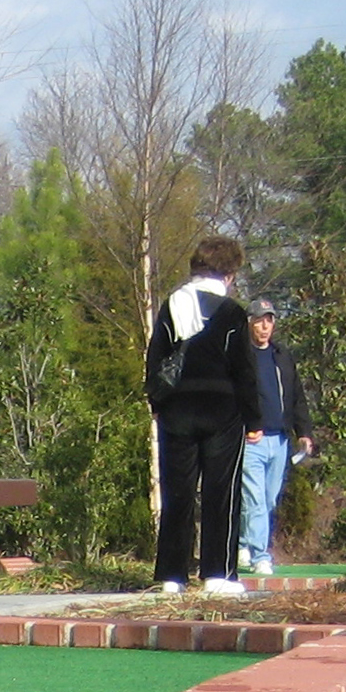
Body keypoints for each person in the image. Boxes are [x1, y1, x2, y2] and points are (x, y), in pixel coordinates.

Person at [145, 236, 263, 594]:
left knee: (178, 493)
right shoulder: (231, 312)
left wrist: (158, 405)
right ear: (228, 274)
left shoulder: (172, 305)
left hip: (177, 411)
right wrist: (254, 420)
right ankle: (218, 574)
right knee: (221, 493)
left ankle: (171, 576)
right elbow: (244, 370)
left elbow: (155, 357)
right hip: (222, 412)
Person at [237, 299, 313, 575]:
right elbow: (233, 397)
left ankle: (242, 542)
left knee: (267, 500)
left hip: (280, 440)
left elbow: (296, 396)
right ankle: (260, 556)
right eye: (259, 320)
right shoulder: (240, 357)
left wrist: (303, 432)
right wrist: (245, 426)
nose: (265, 326)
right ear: (249, 324)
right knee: (255, 500)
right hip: (252, 441)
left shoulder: (282, 356)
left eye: (269, 320)